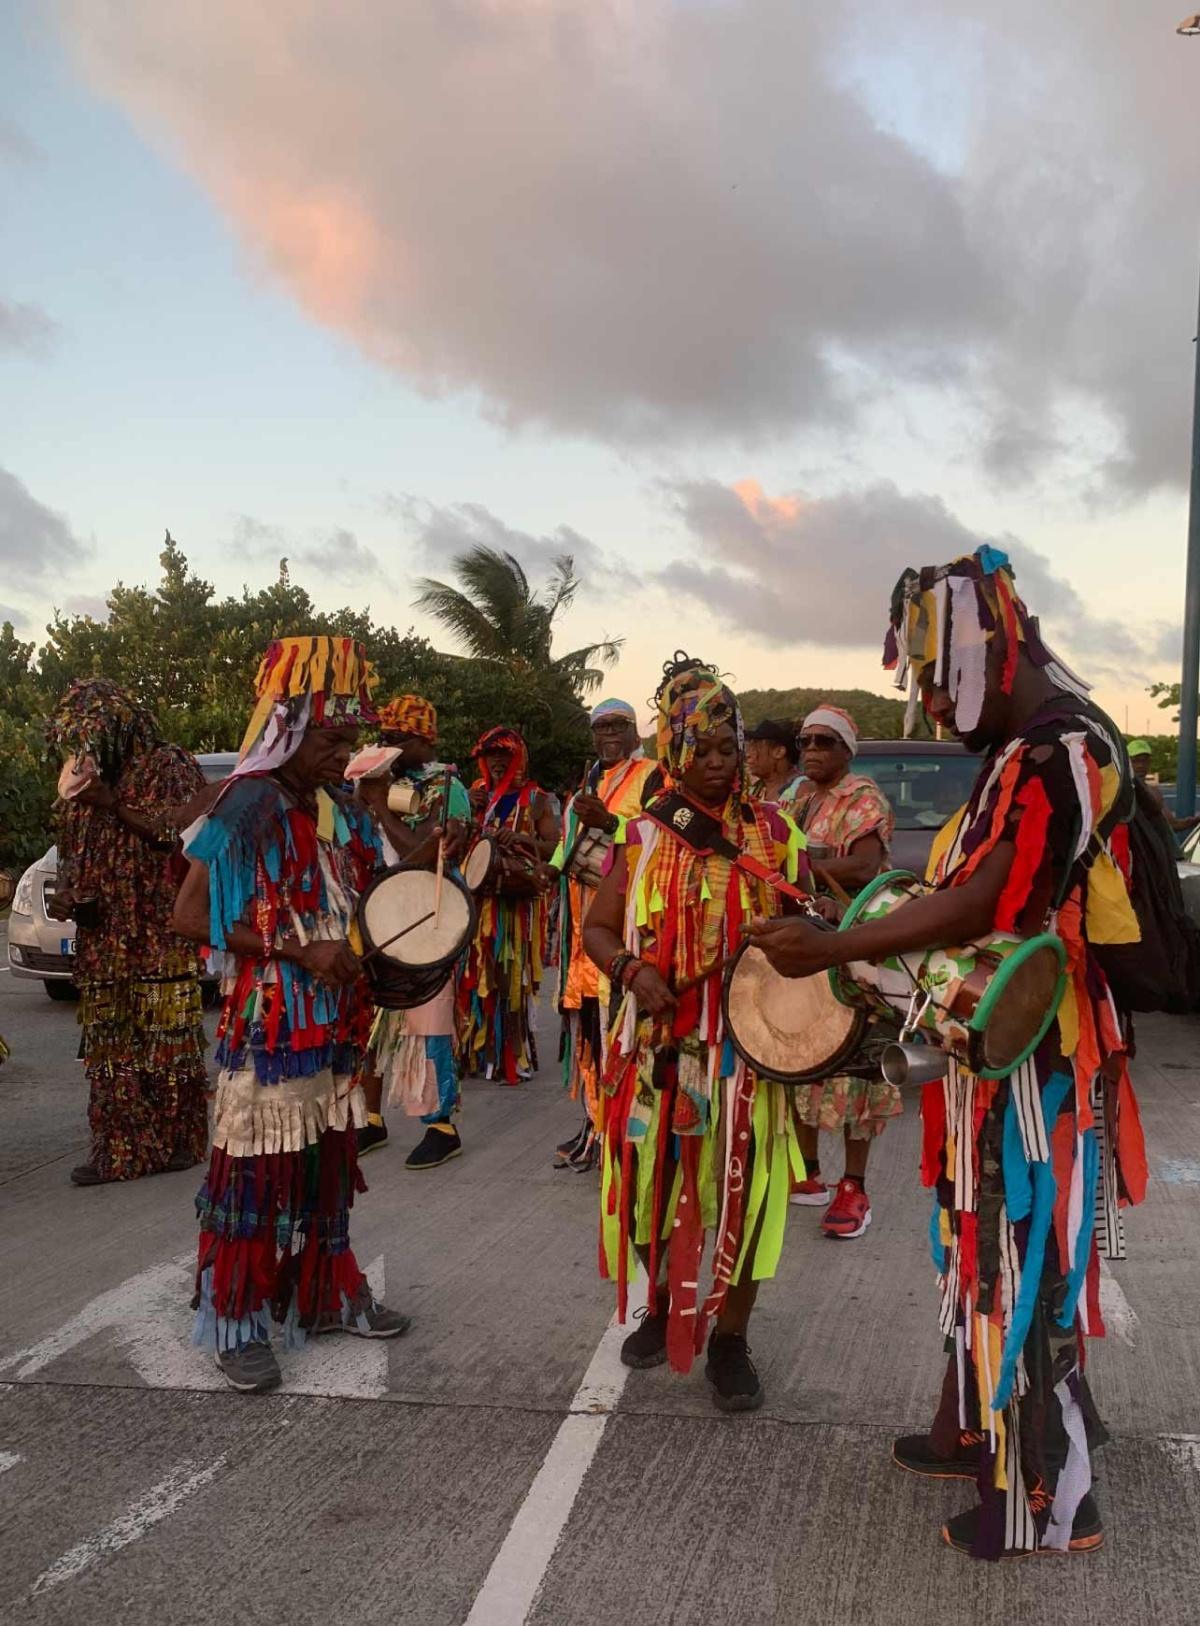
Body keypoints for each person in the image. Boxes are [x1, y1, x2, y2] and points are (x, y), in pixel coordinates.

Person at [749, 549, 1147, 1558]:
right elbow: (962, 899)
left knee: (1017, 1257)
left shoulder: (1055, 750)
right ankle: (970, 1428)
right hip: (1011, 1038)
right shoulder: (1052, 742)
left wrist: (836, 948)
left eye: (934, 677)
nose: (928, 703)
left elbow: (984, 905)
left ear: (983, 650)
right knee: (993, 1248)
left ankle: (1049, 1500)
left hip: (1032, 1045)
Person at [172, 636, 410, 1394]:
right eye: (330, 741)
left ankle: (325, 1292)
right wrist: (298, 950)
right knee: (250, 1176)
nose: (343, 756)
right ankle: (234, 1316)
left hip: (335, 1028)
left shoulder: (335, 806)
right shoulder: (247, 801)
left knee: (327, 1171)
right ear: (289, 729)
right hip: (270, 1032)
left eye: (349, 742)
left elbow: (371, 900)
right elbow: (187, 916)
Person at [583, 654, 808, 1413]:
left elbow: (808, 928)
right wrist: (630, 969)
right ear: (674, 752)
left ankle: (731, 1340)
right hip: (655, 1053)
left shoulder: (774, 835)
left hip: (747, 1052)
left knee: (747, 1196)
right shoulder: (643, 836)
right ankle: (661, 1307)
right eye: (699, 750)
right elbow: (598, 927)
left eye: (727, 749)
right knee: (649, 1188)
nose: (716, 764)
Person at [45, 680, 209, 1186]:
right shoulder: (81, 779)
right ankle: (118, 1151)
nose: (87, 751)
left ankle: (177, 1143)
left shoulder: (168, 765)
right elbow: (71, 850)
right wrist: (68, 892)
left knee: (168, 1044)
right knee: (110, 1048)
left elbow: (176, 835)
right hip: (103, 942)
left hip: (159, 935)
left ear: (124, 728)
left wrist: (113, 802)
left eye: (96, 738)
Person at [785, 704, 897, 1236]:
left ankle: (853, 1188)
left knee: (858, 1068)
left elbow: (866, 865)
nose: (811, 750)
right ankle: (808, 1176)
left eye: (824, 742)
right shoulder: (794, 797)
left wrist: (802, 868)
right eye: (805, 740)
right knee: (799, 1056)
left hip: (851, 947)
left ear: (847, 750)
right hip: (804, 947)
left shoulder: (862, 797)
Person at [354, 694, 471, 1169]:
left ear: (426, 740)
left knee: (429, 1023)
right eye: (384, 738)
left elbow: (428, 858)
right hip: (379, 913)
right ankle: (370, 1119)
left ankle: (441, 1125)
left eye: (400, 739)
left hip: (430, 917)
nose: (390, 747)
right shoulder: (374, 780)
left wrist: (381, 808)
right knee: (370, 1022)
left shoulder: (447, 787)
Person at [549, 697, 661, 1172]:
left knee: (618, 1025)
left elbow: (658, 835)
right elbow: (569, 843)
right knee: (589, 1028)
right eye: (600, 727)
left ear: (636, 732)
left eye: (618, 726)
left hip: (623, 924)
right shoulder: (591, 777)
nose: (608, 734)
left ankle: (620, 1127)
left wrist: (610, 823)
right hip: (581, 922)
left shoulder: (653, 776)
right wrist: (548, 871)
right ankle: (594, 1123)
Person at [459, 726, 557, 1084]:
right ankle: (474, 1053)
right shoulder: (474, 794)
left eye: (504, 754)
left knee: (508, 978)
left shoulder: (536, 799)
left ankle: (510, 1056)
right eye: (490, 756)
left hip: (513, 906)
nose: (496, 762)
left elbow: (554, 848)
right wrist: (466, 811)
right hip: (475, 901)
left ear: (519, 758)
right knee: (473, 976)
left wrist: (521, 837)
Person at [1127, 739, 1200, 834]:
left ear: (1149, 763)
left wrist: (1196, 820)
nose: (1140, 765)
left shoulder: (1154, 793)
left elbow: (1173, 825)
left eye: (1144, 761)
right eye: (1135, 761)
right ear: (1127, 763)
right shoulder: (1117, 791)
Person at [744, 718, 805, 807]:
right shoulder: (755, 791)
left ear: (779, 752)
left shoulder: (801, 790)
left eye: (756, 747)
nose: (748, 755)